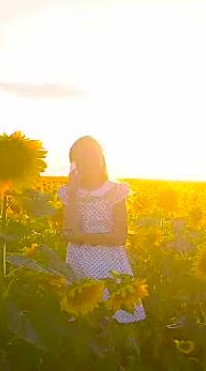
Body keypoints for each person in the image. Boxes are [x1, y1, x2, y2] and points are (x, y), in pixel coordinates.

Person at [57, 136, 146, 324]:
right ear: (74, 165)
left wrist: (83, 236)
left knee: (113, 318)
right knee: (84, 319)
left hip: (109, 265)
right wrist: (73, 192)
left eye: (93, 155)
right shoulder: (69, 194)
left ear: (102, 158)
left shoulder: (115, 191)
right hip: (78, 263)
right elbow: (68, 231)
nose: (89, 161)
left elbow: (119, 236)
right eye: (82, 157)